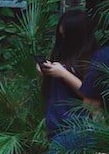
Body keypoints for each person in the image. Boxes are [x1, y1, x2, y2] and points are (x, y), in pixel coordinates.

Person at [38, 8, 97, 143]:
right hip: (55, 127)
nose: (63, 40)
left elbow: (91, 97)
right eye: (61, 36)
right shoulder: (61, 54)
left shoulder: (91, 59)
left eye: (67, 36)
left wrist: (64, 74)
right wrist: (46, 71)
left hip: (77, 129)